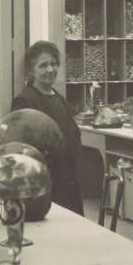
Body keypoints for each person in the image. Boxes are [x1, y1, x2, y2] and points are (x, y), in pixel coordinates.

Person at [10, 41, 84, 216]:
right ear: (31, 71)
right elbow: (21, 146)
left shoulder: (60, 98)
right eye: (43, 65)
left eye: (54, 64)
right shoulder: (25, 100)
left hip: (68, 175)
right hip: (47, 179)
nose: (50, 70)